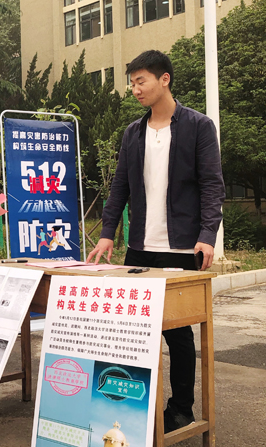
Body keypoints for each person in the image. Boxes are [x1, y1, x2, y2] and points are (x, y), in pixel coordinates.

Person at [86, 50, 225, 433]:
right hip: (140, 249)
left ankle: (181, 409)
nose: (135, 89)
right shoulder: (133, 133)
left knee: (177, 333)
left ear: (164, 79)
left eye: (140, 81)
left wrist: (207, 236)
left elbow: (212, 185)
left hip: (182, 249)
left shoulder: (198, 126)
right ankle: (134, 410)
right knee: (134, 332)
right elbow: (120, 187)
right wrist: (107, 234)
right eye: (131, 83)